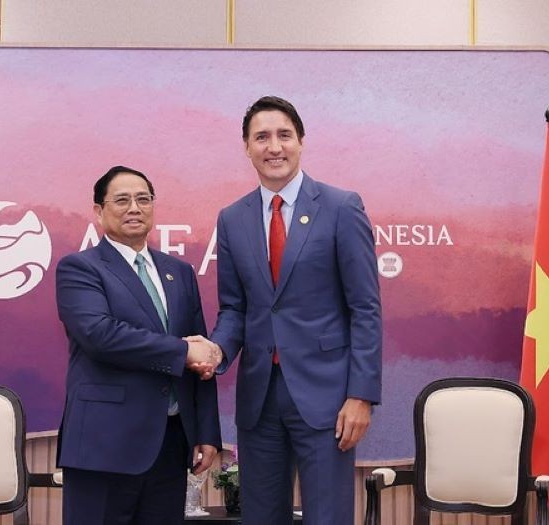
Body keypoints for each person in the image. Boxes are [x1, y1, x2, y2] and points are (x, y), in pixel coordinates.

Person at [205, 96, 382, 524]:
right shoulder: (232, 219)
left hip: (328, 398)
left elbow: (365, 308)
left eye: (284, 135)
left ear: (301, 142)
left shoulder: (341, 207)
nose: (274, 147)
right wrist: (216, 352)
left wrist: (361, 396)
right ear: (247, 148)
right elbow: (234, 309)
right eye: (261, 137)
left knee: (328, 517)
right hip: (260, 398)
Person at [55, 165, 222, 525]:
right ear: (99, 211)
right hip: (104, 445)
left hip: (169, 443)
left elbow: (200, 355)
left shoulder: (179, 272)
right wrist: (181, 351)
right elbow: (100, 335)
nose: (134, 207)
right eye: (122, 200)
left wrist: (207, 432)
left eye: (143, 199)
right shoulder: (80, 268)